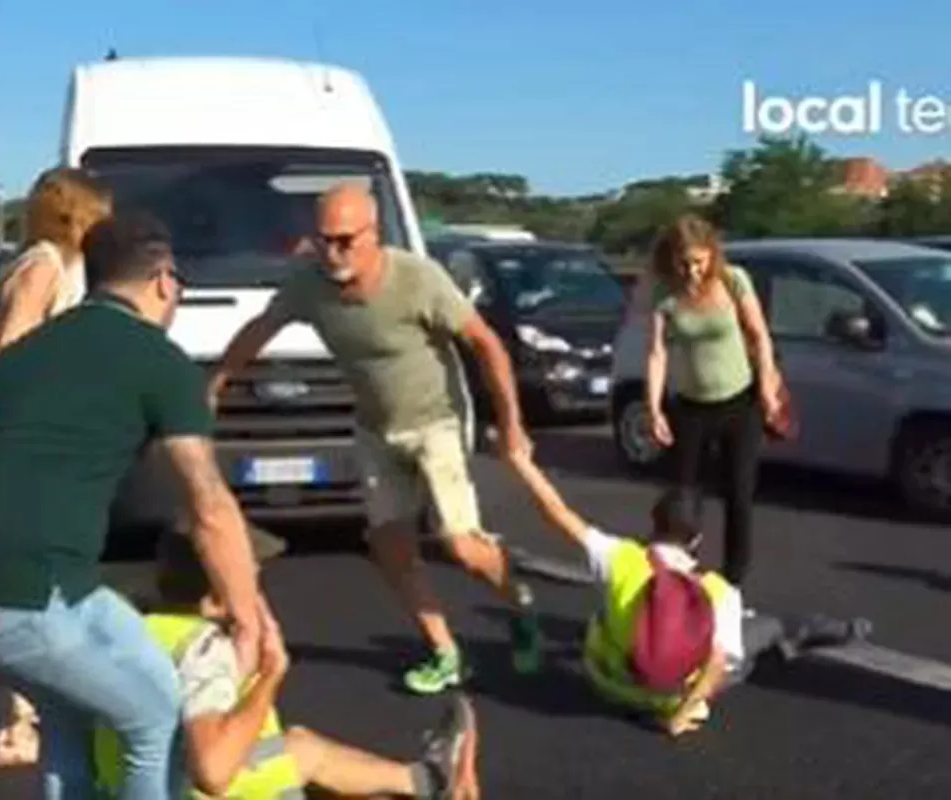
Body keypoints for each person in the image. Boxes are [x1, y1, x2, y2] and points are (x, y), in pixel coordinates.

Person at [0, 211, 272, 799]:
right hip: (26, 593)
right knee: (153, 716)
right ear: (165, 280)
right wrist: (249, 621)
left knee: (76, 713)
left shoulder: (23, 354)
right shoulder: (159, 361)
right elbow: (210, 506)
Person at [207, 183, 540, 695]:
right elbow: (261, 328)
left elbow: (485, 342)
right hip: (374, 429)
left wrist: (511, 424)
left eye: (345, 240)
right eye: (323, 241)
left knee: (460, 545)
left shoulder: (417, 279)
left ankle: (519, 600)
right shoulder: (307, 283)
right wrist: (219, 381)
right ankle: (445, 652)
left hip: (436, 423)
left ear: (373, 234)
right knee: (390, 547)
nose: (333, 253)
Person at [497, 441, 871, 736]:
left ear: (653, 523)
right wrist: (680, 715)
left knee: (604, 614)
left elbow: (557, 513)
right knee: (769, 628)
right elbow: (716, 664)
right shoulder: (718, 590)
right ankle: (838, 632)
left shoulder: (620, 559)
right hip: (668, 698)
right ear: (697, 540)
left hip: (609, 685)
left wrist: (522, 464)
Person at [93, 528, 480, 799]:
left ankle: (425, 781)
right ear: (216, 595)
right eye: (251, 575)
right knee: (301, 754)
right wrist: (271, 676)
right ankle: (432, 779)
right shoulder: (203, 649)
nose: (260, 583)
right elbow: (212, 771)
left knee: (300, 748)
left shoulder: (137, 633)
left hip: (135, 785)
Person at [0, 166, 114, 768]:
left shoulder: (40, 262)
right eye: (99, 209)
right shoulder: (44, 266)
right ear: (75, 212)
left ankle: (7, 686)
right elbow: (14, 354)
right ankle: (17, 723)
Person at [644, 214, 784, 593]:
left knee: (738, 493)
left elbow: (759, 337)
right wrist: (653, 407)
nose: (692, 271)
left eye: (699, 262)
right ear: (671, 260)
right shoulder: (665, 294)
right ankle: (680, 579)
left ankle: (733, 582)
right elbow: (657, 353)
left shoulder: (733, 280)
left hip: (739, 403)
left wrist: (768, 388)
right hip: (690, 406)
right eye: (684, 263)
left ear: (712, 256)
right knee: (684, 497)